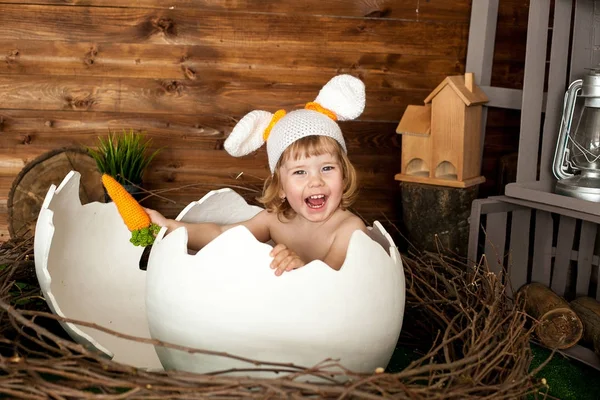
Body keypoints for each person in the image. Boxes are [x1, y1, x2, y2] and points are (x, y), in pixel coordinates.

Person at [146, 74, 368, 276]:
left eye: (327, 168)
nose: (315, 181)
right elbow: (220, 236)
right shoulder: (275, 221)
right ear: (280, 186)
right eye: (300, 171)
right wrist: (168, 227)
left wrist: (302, 270)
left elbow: (334, 289)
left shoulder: (349, 229)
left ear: (345, 176)